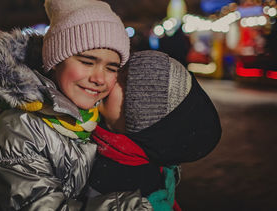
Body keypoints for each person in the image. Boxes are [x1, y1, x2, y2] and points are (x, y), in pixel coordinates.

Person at [0, 0, 132, 210]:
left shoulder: (90, 116)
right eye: (86, 61)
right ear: (55, 60)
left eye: (112, 68)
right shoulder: (16, 129)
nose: (99, 78)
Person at [88, 50, 222, 210]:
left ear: (135, 121)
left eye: (123, 81)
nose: (108, 79)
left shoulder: (127, 189)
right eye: (119, 69)